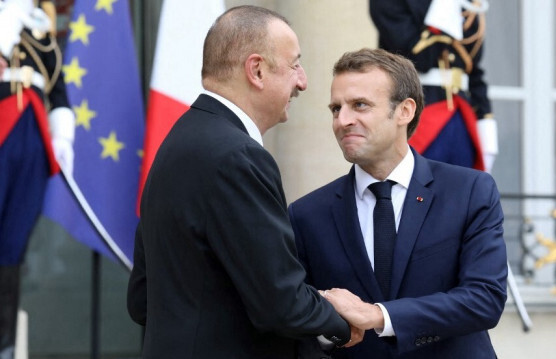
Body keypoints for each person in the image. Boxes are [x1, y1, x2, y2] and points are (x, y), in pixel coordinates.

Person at [127, 6, 361, 359]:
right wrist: (342, 321)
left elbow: (142, 300)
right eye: (295, 63)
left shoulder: (178, 142)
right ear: (257, 70)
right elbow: (281, 302)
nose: (303, 81)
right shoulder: (237, 157)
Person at [288, 48, 507, 358]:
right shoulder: (307, 214)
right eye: (336, 108)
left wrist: (378, 316)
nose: (343, 120)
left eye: (360, 105)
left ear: (405, 111)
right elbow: (297, 325)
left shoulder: (470, 191)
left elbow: (484, 299)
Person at [0, 1, 75, 357]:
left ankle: (6, 343)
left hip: (31, 131)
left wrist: (63, 137)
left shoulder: (37, 25)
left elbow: (57, 84)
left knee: (13, 244)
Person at [369, 0, 498, 173]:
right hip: (417, 114)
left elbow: (472, 71)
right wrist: (441, 13)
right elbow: (421, 58)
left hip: (461, 116)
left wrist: (485, 122)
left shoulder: (466, 4)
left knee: (463, 194)